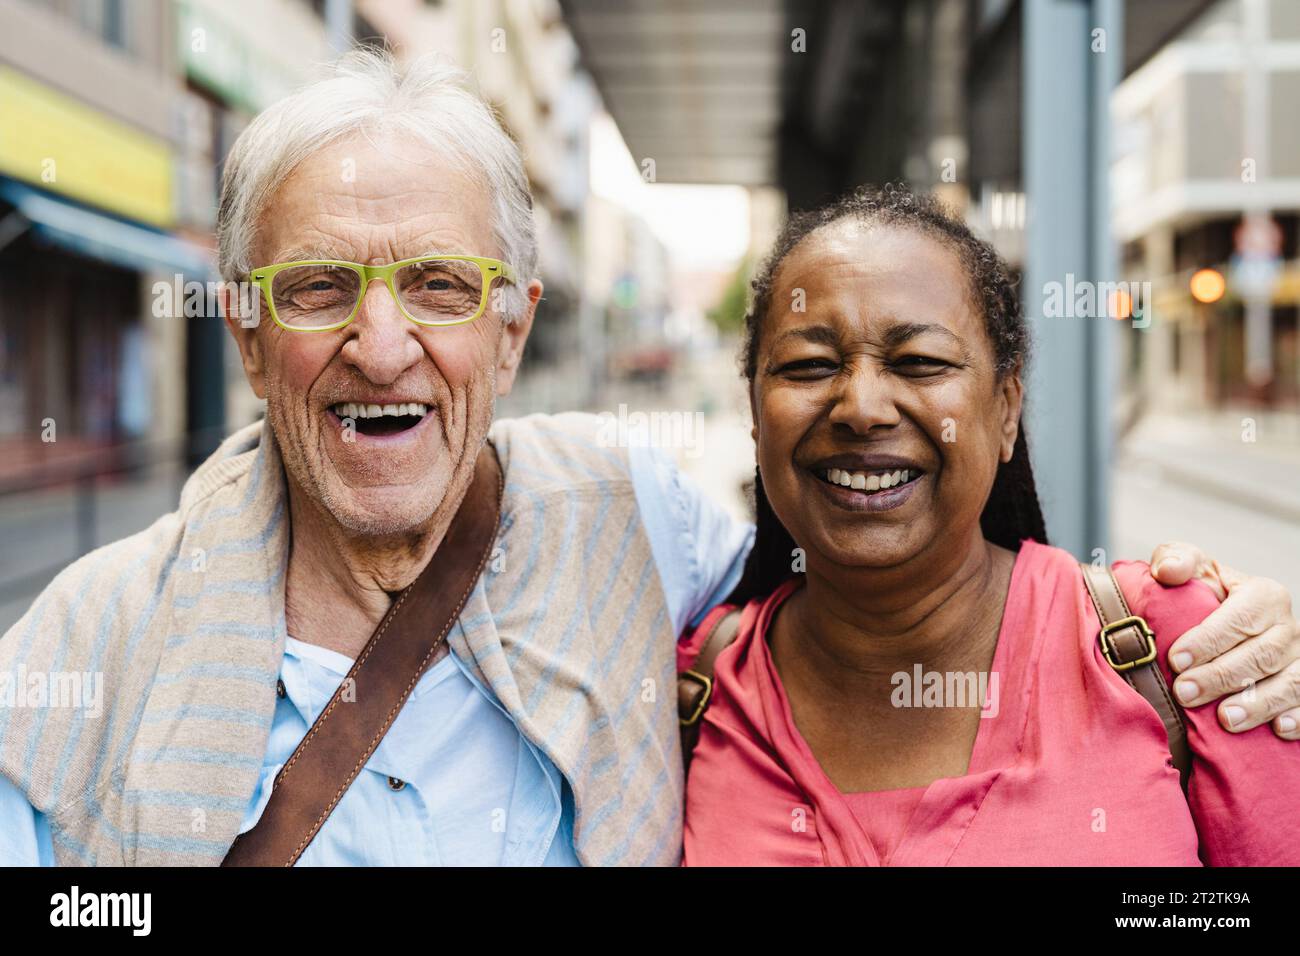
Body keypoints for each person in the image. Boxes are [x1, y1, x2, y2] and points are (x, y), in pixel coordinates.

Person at [0, 53, 1296, 867]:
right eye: (320, 286)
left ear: (511, 331)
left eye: (442, 288)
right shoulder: (76, 658)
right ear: (244, 325)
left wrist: (1236, 622)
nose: (381, 344)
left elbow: (881, 569)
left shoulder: (633, 536)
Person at [680, 186, 1300, 866]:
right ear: (754, 411)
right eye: (808, 366)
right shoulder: (685, 694)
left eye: (920, 362)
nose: (860, 407)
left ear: (1006, 412)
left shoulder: (1192, 650)